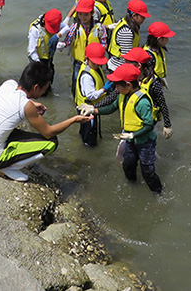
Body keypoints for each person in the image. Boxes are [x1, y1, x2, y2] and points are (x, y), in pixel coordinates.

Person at [0, 62, 90, 182]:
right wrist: (74, 119)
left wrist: (32, 104)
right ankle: (8, 168)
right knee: (51, 143)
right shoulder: (25, 105)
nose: (45, 91)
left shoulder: (9, 84)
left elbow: (11, 103)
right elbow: (48, 132)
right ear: (36, 87)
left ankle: (7, 162)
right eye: (45, 88)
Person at [91, 63, 162, 194]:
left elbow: (149, 124)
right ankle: (132, 188)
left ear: (128, 85)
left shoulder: (142, 102)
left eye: (118, 84)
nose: (115, 88)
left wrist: (133, 135)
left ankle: (158, 193)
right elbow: (111, 108)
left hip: (145, 142)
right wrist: (93, 110)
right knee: (128, 166)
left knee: (148, 172)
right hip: (130, 141)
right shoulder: (122, 95)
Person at [56, 0, 107, 95]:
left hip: (94, 63)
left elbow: (104, 43)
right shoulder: (75, 26)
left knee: (96, 83)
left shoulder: (99, 27)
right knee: (76, 84)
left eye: (86, 15)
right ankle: (75, 101)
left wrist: (99, 53)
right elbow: (68, 40)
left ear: (92, 13)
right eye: (80, 14)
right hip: (78, 62)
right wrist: (63, 44)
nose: (83, 18)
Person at [122, 47, 173, 140]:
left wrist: (167, 125)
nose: (125, 64)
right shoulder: (128, 78)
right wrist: (94, 108)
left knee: (147, 149)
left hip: (149, 124)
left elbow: (162, 103)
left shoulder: (153, 83)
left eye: (127, 62)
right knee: (123, 151)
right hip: (133, 122)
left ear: (138, 66)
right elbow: (113, 97)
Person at [74, 42, 108, 146]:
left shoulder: (92, 67)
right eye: (95, 63)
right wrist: (104, 89)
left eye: (99, 63)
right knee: (90, 136)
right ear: (86, 59)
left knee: (85, 130)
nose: (97, 65)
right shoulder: (87, 76)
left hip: (89, 107)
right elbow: (90, 95)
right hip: (87, 109)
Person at [106, 0, 150, 71]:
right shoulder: (127, 32)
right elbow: (128, 58)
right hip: (118, 68)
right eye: (142, 17)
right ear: (134, 15)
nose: (144, 19)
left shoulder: (124, 21)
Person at [26, 8, 63, 94]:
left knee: (50, 75)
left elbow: (66, 29)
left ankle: (48, 93)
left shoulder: (55, 23)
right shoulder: (35, 30)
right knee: (39, 82)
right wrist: (39, 66)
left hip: (48, 58)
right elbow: (32, 50)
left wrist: (59, 45)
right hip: (37, 59)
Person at [143, 21, 174, 88]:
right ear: (159, 39)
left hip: (159, 81)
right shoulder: (149, 55)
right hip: (153, 85)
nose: (168, 40)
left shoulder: (158, 49)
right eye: (166, 38)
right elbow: (148, 76)